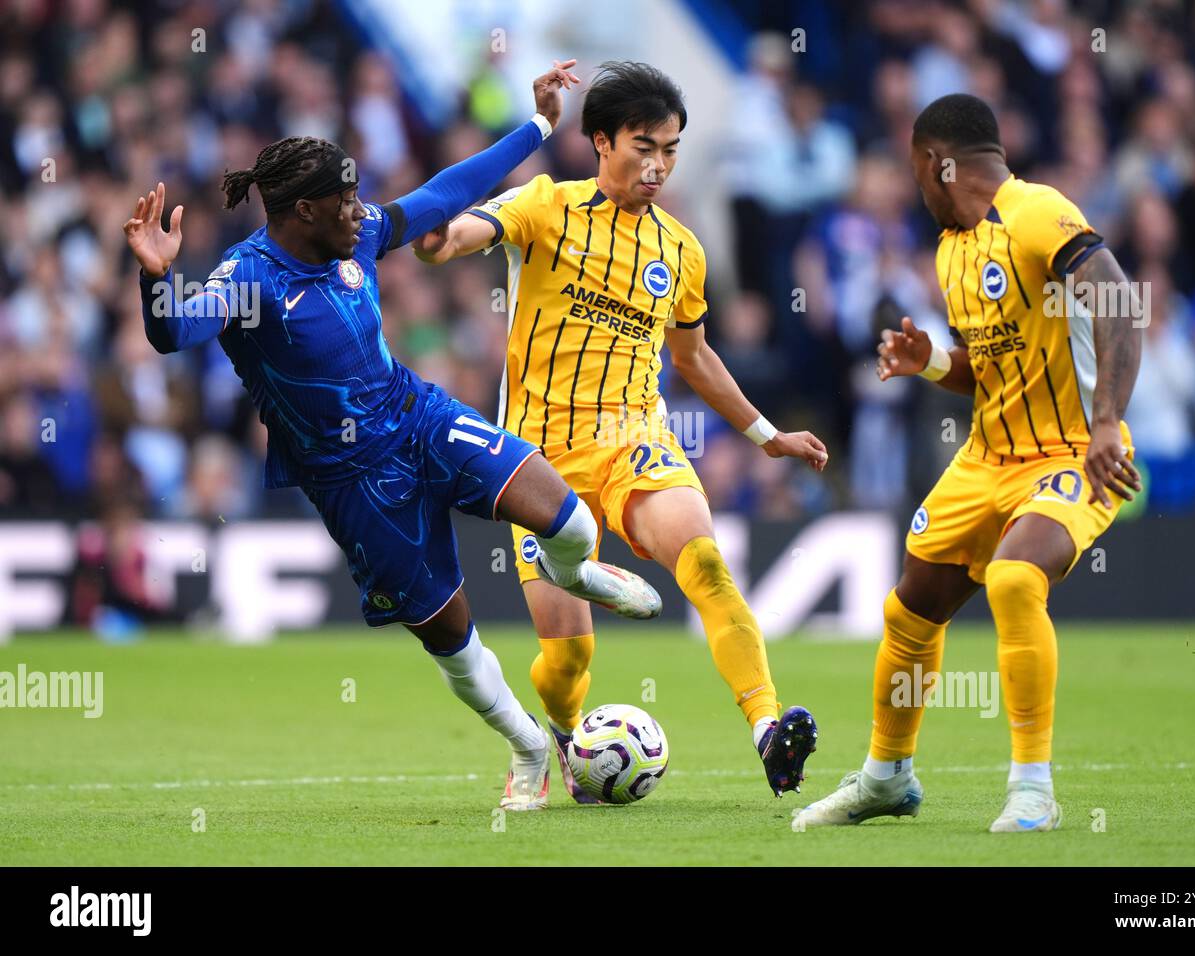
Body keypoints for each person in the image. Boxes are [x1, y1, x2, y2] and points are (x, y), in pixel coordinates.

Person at [126, 61, 661, 812]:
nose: (360, 210)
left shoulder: (356, 238)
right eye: (343, 202)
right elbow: (171, 333)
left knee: (570, 520)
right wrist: (156, 277)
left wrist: (539, 125)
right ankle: (530, 748)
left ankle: (575, 574)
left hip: (419, 418)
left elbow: (443, 193)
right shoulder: (246, 281)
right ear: (301, 211)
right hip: (352, 481)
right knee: (453, 641)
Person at [414, 62, 829, 801]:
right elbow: (454, 237)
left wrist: (769, 436)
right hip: (538, 462)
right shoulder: (546, 206)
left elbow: (694, 357)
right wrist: (432, 232)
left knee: (705, 564)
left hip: (636, 439)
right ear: (601, 141)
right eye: (645, 146)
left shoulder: (682, 250)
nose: (659, 165)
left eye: (671, 148)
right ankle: (563, 741)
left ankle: (767, 729)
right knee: (568, 660)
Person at [795, 93, 1142, 832]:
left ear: (936, 162)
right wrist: (932, 364)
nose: (915, 188)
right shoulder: (953, 250)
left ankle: (1033, 791)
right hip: (987, 458)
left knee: (1016, 579)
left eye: (915, 169)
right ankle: (887, 778)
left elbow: (1118, 301)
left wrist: (1108, 419)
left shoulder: (1038, 211)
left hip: (1074, 453)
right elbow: (987, 370)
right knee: (909, 608)